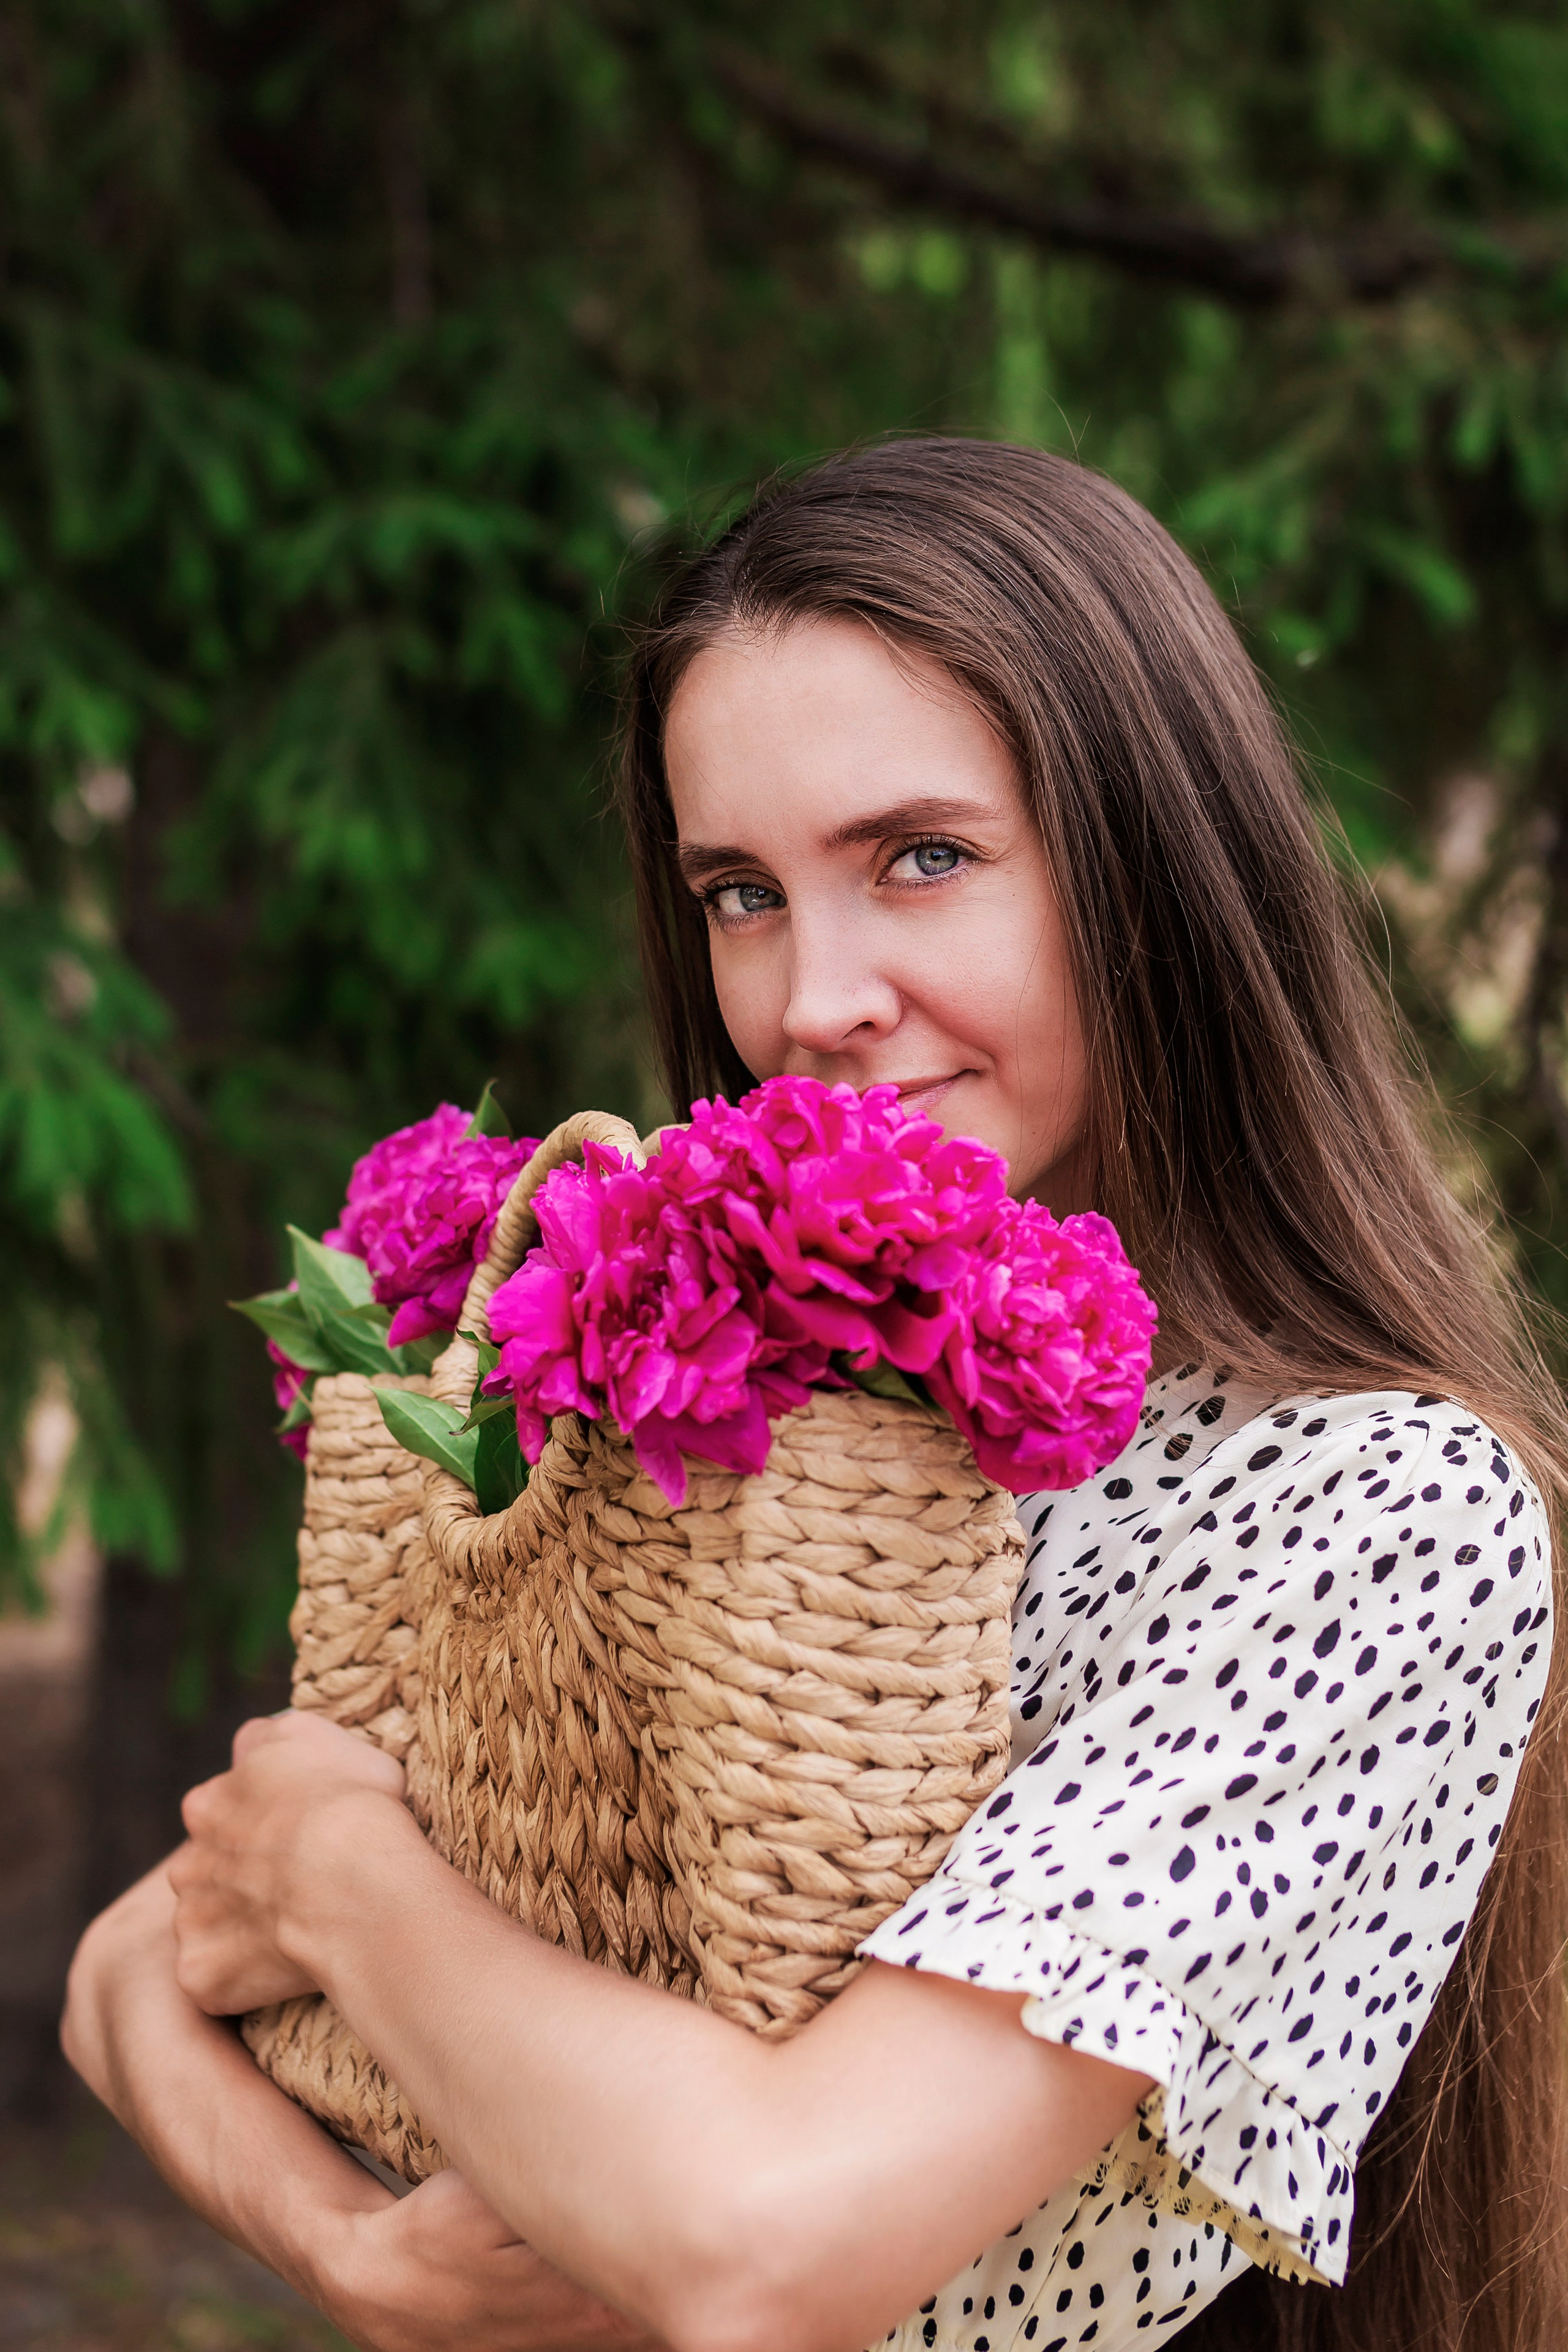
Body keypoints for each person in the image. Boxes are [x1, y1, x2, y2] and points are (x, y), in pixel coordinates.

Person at [62, 439, 1568, 2352]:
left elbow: (767, 2240)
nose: (811, 1000)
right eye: (742, 891)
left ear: (1155, 871)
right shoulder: (723, 1394)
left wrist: (350, 1882)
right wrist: (356, 2257)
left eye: (920, 859)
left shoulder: (1373, 1511)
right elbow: (138, 1964)